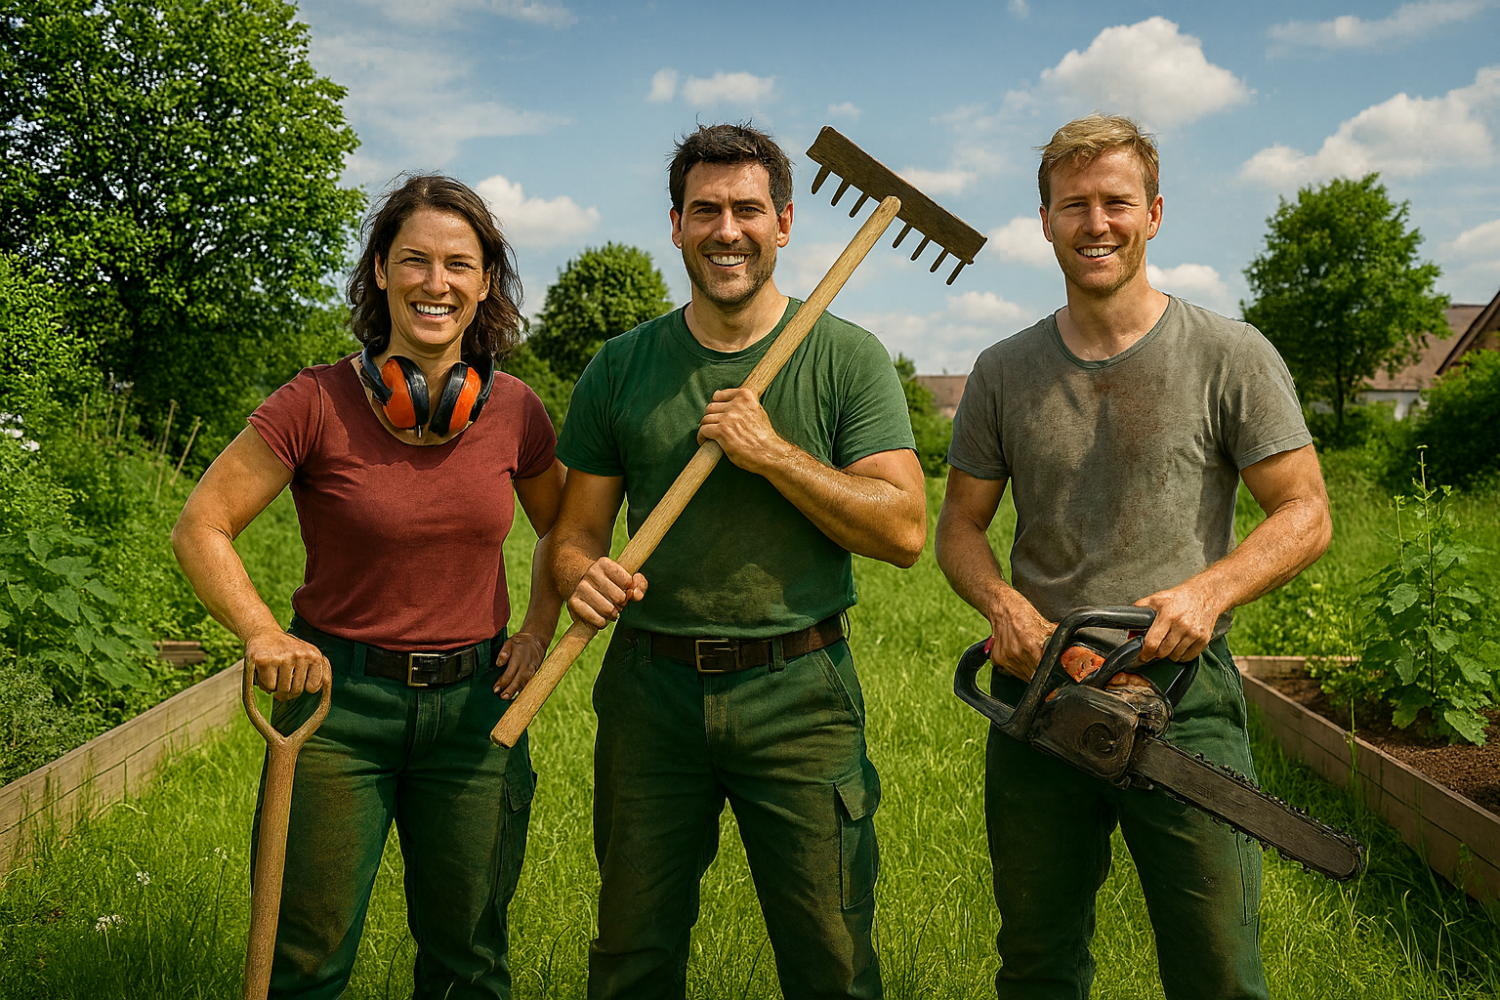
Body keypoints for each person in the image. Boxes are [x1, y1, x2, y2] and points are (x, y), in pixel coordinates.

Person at [934, 115, 1332, 999]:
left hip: (1181, 688)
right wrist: (1003, 607)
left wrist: (1208, 592)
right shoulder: (1003, 370)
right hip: (1041, 689)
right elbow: (958, 528)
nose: (1096, 223)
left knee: (1217, 968)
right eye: (1073, 204)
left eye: (1116, 202)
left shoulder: (1230, 355)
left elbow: (1305, 511)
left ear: (1155, 213)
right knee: (1037, 962)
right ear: (1044, 222)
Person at [548, 123, 926, 1000]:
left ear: (785, 223)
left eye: (748, 209)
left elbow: (904, 530)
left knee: (830, 959)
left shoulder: (847, 357)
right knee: (632, 956)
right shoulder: (621, 367)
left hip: (799, 689)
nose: (728, 229)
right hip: (650, 691)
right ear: (675, 225)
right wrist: (580, 573)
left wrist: (774, 454)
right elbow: (572, 537)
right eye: (706, 210)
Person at [172, 174, 565, 1000]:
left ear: (485, 281)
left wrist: (534, 628)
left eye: (459, 264)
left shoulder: (517, 410)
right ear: (381, 269)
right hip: (336, 713)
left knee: (470, 964)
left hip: (475, 714)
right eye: (415, 260)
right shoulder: (313, 401)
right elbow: (201, 525)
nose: (436, 282)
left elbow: (566, 530)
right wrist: (263, 634)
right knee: (304, 963)